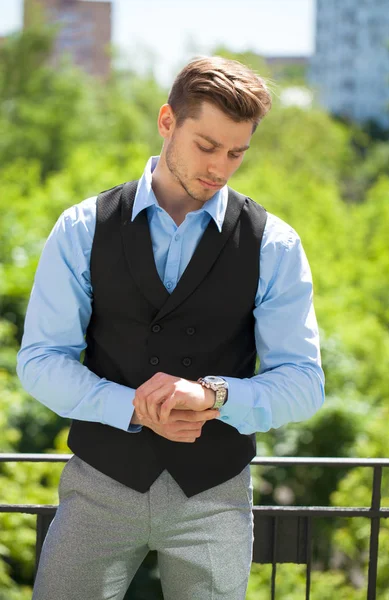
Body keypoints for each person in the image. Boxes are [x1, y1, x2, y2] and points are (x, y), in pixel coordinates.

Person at [17, 56, 324, 600]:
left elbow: (304, 382)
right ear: (167, 121)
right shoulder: (82, 227)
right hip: (100, 484)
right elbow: (40, 362)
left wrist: (213, 393)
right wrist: (137, 407)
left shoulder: (274, 243)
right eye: (206, 146)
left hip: (216, 493)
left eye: (236, 153)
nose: (220, 168)